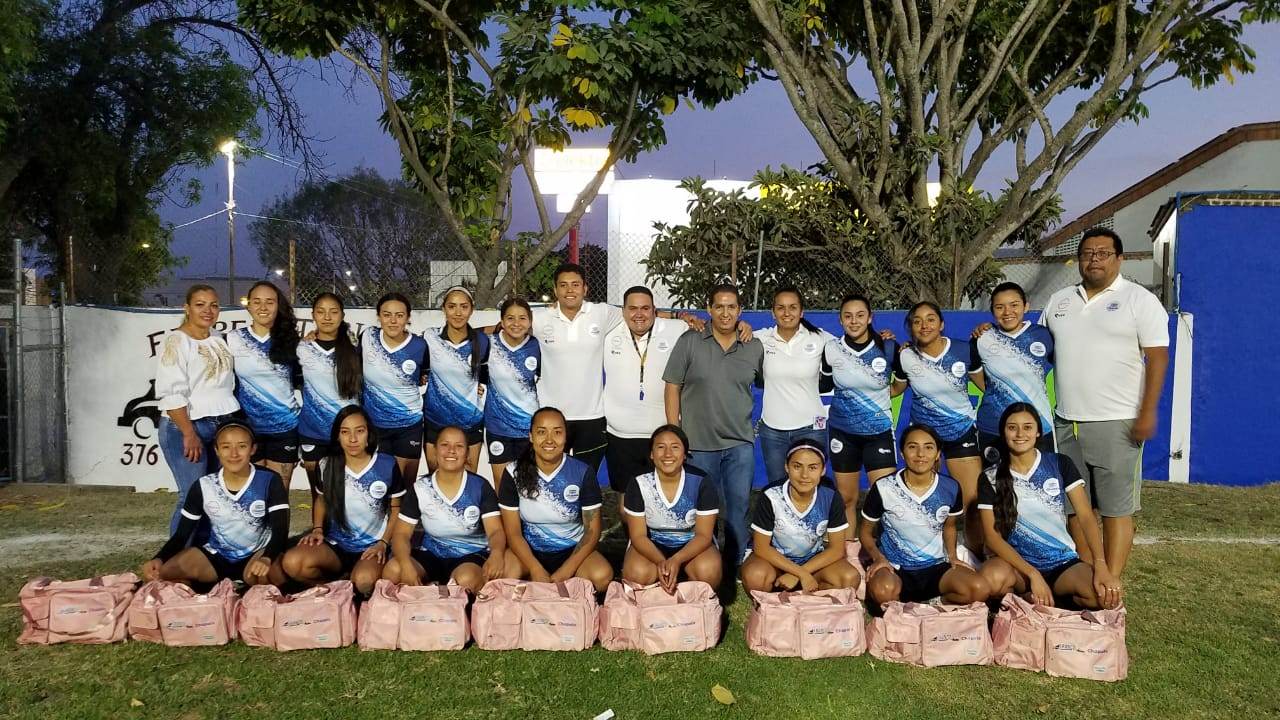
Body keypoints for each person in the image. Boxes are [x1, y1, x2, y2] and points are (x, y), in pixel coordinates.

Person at [1040, 227, 1169, 578]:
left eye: (1102, 253)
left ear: (1119, 258)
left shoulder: (1139, 300)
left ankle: (1111, 582)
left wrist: (1147, 412)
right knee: (1074, 506)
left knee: (1115, 509)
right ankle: (1087, 574)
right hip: (1065, 421)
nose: (1093, 259)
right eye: (1087, 253)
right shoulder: (1059, 301)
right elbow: (1035, 349)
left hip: (1116, 420)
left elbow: (1157, 358)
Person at [977, 403, 1123, 609]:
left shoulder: (1059, 463)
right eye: (1012, 427)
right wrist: (1032, 574)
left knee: (1102, 596)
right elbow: (992, 538)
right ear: (1003, 432)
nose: (1020, 434)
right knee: (990, 580)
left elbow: (1086, 516)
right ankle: (1027, 597)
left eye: (1027, 427)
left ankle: (1045, 600)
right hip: (1017, 568)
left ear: (1038, 432)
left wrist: (1100, 565)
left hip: (1062, 564)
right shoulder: (989, 477)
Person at [664, 283, 764, 567]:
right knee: (703, 509)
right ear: (709, 309)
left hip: (739, 443)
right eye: (719, 306)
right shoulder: (690, 341)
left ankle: (734, 562)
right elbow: (672, 386)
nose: (725, 312)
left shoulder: (754, 345)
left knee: (738, 506)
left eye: (731, 307)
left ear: (740, 311)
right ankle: (705, 561)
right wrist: (675, 434)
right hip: (697, 443)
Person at [140, 422, 288, 587]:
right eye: (226, 447)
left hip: (256, 554)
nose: (234, 454)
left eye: (242, 446)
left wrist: (267, 558)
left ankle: (248, 584)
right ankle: (207, 589)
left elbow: (280, 530)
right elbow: (182, 534)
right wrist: (159, 558)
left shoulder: (270, 480)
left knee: (271, 577)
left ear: (253, 449)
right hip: (216, 556)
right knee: (162, 573)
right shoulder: (204, 485)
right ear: (217, 451)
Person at [860, 424, 990, 607]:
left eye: (928, 447)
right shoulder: (883, 487)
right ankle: (898, 602)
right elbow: (865, 532)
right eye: (912, 447)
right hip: (895, 568)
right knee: (882, 593)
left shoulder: (951, 488)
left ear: (937, 454)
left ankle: (935, 601)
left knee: (979, 589)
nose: (921, 454)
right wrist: (878, 558)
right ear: (902, 453)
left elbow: (950, 526)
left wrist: (952, 556)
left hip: (936, 567)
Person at [892, 301, 985, 551]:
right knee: (923, 504)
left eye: (931, 319)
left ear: (941, 324)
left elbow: (988, 386)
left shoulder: (964, 350)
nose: (924, 325)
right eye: (917, 321)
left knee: (972, 503)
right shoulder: (905, 355)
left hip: (961, 433)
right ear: (911, 327)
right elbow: (895, 389)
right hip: (925, 439)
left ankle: (976, 555)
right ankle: (925, 555)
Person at [281, 406, 402, 595]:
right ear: (337, 435)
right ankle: (335, 588)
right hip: (336, 546)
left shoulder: (387, 464)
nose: (352, 439)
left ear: (369, 433)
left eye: (359, 431)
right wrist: (318, 529)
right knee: (292, 563)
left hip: (371, 547)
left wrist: (384, 543)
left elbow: (397, 509)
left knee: (364, 581)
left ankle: (353, 583)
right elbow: (321, 499)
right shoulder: (327, 464)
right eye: (345, 432)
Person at [497, 407, 613, 591]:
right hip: (529, 552)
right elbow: (513, 533)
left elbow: (592, 531)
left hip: (572, 549)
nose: (549, 440)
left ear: (566, 436)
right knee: (503, 575)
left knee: (602, 576)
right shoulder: (513, 472)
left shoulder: (582, 472)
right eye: (541, 432)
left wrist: (566, 570)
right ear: (531, 436)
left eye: (557, 432)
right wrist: (535, 568)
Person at [155, 284, 240, 533]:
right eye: (200, 305)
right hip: (187, 425)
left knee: (214, 496)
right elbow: (172, 392)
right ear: (187, 308)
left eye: (214, 305)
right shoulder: (177, 341)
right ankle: (176, 559)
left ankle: (202, 555)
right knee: (191, 495)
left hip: (221, 423)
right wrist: (188, 433)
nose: (208, 310)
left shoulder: (219, 340)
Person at [385, 426, 508, 593]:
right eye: (445, 445)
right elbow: (401, 534)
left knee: (466, 580)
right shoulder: (421, 488)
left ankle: (447, 599)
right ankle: (429, 597)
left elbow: (495, 531)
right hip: (432, 554)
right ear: (435, 451)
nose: (451, 451)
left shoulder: (481, 486)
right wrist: (406, 565)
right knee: (393, 571)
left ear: (467, 454)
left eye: (459, 446)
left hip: (470, 555)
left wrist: (497, 554)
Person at [530, 264, 626, 471]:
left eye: (575, 285)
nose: (570, 290)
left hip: (591, 417)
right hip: (551, 416)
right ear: (555, 290)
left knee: (586, 480)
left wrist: (681, 318)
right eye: (563, 285)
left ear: (585, 289)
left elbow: (638, 313)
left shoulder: (601, 313)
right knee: (550, 478)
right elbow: (507, 325)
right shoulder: (539, 318)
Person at [739, 439, 860, 593]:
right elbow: (761, 547)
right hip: (774, 562)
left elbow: (837, 549)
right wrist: (800, 573)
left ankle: (809, 601)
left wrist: (801, 573)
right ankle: (773, 604)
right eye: (797, 466)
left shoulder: (831, 496)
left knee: (848, 578)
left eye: (813, 468)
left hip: (812, 563)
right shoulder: (771, 495)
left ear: (823, 470)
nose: (804, 475)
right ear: (786, 467)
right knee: (755, 576)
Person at [821, 293, 901, 523]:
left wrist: (885, 394)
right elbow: (826, 385)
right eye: (848, 316)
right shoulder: (831, 350)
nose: (854, 321)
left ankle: (886, 553)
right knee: (846, 498)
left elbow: (901, 382)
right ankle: (850, 553)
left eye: (860, 315)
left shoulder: (888, 347)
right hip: (843, 433)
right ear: (840, 320)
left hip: (879, 434)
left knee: (885, 498)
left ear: (869, 318)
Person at [602, 286, 688, 501]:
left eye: (645, 308)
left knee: (661, 499)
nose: (638, 314)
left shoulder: (677, 329)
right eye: (632, 308)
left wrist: (741, 325)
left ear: (655, 311)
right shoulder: (609, 331)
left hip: (660, 435)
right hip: (620, 436)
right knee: (626, 501)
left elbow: (714, 328)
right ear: (622, 311)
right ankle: (633, 536)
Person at [621, 425, 722, 591]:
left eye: (675, 447)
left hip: (692, 544)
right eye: (660, 447)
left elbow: (704, 535)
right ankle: (651, 605)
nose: (668, 454)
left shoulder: (701, 481)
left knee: (707, 572)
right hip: (652, 544)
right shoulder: (639, 482)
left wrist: (676, 560)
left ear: (684, 454)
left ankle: (694, 605)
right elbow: (638, 535)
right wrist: (662, 562)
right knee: (637, 574)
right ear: (652, 454)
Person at [970, 282, 1055, 465]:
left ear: (1026, 306)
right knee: (996, 487)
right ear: (992, 311)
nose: (1007, 312)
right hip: (993, 427)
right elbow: (975, 374)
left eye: (1014, 305)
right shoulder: (981, 338)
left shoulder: (1044, 335)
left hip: (1039, 426)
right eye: (1000, 307)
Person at [755, 287, 833, 486]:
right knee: (777, 490)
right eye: (780, 308)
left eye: (792, 307)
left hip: (812, 427)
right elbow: (727, 335)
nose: (787, 313)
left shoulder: (820, 338)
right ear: (773, 312)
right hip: (772, 431)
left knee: (811, 488)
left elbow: (852, 346)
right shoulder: (761, 339)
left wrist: (884, 340)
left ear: (802, 311)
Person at [226, 281, 301, 487]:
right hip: (248, 430)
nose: (263, 307)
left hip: (285, 427)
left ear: (279, 305)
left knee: (278, 491)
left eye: (270, 302)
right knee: (252, 491)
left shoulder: (292, 340)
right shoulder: (232, 339)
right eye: (257, 302)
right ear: (248, 305)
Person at [297, 293, 362, 498]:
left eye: (333, 312)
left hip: (346, 433)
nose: (327, 317)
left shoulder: (355, 350)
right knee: (318, 493)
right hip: (312, 430)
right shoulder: (302, 348)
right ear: (313, 315)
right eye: (321, 312)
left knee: (347, 491)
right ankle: (319, 530)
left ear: (342, 316)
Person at [362, 292, 429, 481]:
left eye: (399, 315)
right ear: (378, 316)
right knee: (377, 486)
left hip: (409, 426)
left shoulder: (419, 345)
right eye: (386, 314)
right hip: (374, 426)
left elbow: (424, 376)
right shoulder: (368, 338)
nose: (393, 321)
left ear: (408, 318)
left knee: (404, 488)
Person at [423, 287, 489, 473]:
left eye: (464, 306)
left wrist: (480, 387)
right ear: (443, 309)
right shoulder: (430, 337)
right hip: (436, 421)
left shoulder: (482, 341)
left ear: (471, 309)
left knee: (468, 483)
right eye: (452, 306)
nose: (458, 312)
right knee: (435, 482)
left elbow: (486, 376)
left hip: (470, 422)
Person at [482, 297, 541, 489]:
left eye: (522, 318)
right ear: (501, 321)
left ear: (530, 322)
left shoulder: (537, 347)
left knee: (528, 483)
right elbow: (463, 335)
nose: (516, 324)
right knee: (503, 484)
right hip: (497, 427)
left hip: (528, 428)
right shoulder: (488, 344)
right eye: (510, 318)